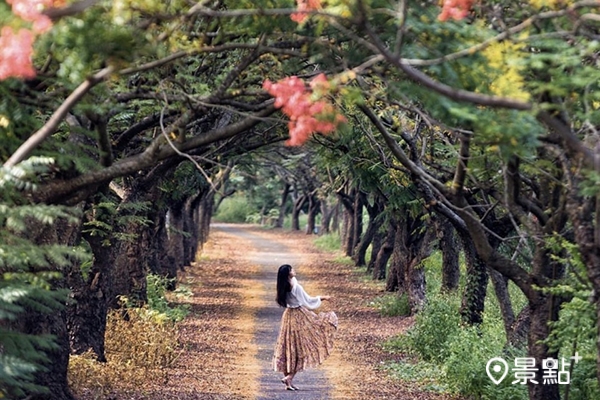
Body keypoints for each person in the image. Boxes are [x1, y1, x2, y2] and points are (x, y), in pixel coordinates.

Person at [273, 264, 338, 391]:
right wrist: (322, 297)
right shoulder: (295, 286)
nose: (294, 270)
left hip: (288, 316)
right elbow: (307, 300)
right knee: (300, 346)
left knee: (288, 345)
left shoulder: (282, 285)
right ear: (288, 273)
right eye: (291, 269)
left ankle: (288, 381)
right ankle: (289, 377)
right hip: (298, 315)